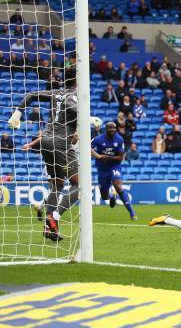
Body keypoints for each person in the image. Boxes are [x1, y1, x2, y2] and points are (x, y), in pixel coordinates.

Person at [8, 68, 79, 241]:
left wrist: (16, 115)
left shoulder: (56, 92)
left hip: (45, 140)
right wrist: (86, 123)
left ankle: (49, 229)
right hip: (59, 142)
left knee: (57, 185)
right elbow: (76, 110)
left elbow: (31, 95)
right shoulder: (74, 96)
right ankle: (54, 217)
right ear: (78, 81)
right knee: (80, 185)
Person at [91, 122, 137, 221]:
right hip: (102, 168)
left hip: (114, 166)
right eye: (110, 128)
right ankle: (112, 196)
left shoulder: (119, 139)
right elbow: (88, 148)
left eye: (114, 128)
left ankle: (132, 213)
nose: (113, 130)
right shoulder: (98, 139)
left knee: (118, 187)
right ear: (106, 129)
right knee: (104, 196)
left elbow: (120, 158)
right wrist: (97, 156)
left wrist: (103, 156)